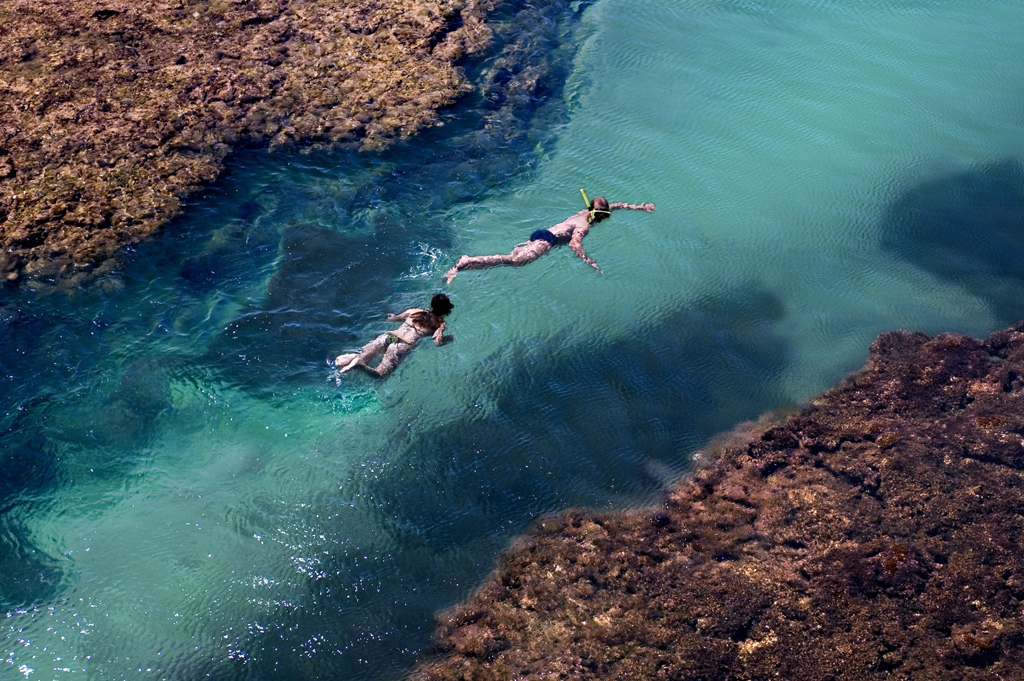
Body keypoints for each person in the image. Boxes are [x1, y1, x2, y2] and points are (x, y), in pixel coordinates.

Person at [445, 194, 655, 283]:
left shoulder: (585, 212)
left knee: (513, 257)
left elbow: (616, 205)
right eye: (604, 216)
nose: (604, 218)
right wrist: (589, 261)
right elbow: (574, 243)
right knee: (515, 261)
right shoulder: (583, 226)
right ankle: (467, 261)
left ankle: (461, 268)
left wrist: (639, 207)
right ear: (598, 215)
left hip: (542, 233)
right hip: (547, 242)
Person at [332, 293, 454, 378]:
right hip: (402, 345)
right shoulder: (440, 324)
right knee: (380, 376)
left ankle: (353, 358)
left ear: (431, 303)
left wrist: (389, 312)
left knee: (364, 357)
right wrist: (448, 338)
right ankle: (359, 365)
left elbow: (393, 318)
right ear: (446, 310)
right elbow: (437, 342)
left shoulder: (414, 311)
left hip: (390, 336)